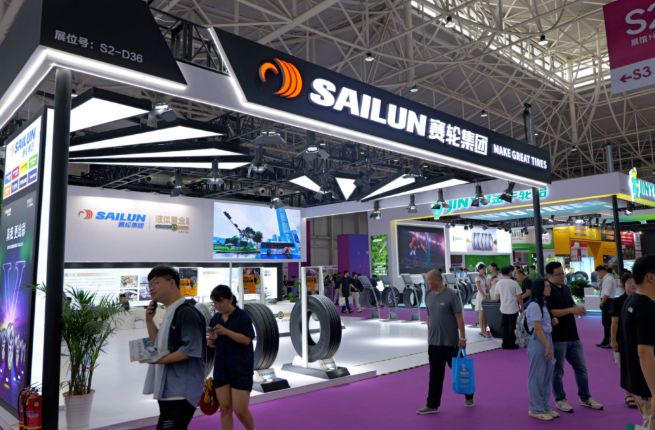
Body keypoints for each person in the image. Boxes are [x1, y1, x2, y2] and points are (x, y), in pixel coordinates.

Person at [143, 265, 206, 430]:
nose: (151, 288)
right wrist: (149, 321)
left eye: (155, 283)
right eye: (149, 285)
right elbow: (160, 344)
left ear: (172, 283)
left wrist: (159, 360)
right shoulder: (171, 311)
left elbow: (191, 348)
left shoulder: (186, 312)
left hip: (180, 392)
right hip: (169, 390)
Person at [545, 261, 603, 412]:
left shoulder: (565, 288)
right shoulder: (547, 290)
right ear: (549, 276)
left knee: (581, 369)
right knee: (558, 372)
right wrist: (572, 310)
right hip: (557, 337)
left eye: (563, 273)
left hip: (573, 335)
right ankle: (560, 399)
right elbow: (550, 312)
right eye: (558, 274)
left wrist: (578, 309)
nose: (562, 277)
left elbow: (570, 306)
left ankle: (585, 397)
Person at [417, 270, 473, 414]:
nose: (426, 283)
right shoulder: (428, 296)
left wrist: (462, 338)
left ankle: (469, 396)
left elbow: (459, 317)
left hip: (451, 343)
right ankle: (432, 404)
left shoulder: (451, 295)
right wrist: (429, 336)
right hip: (434, 344)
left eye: (428, 280)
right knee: (435, 375)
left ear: (437, 280)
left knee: (460, 372)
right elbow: (429, 317)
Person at [207, 285, 256, 430]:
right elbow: (212, 345)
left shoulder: (243, 316)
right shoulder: (215, 318)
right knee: (224, 409)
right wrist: (211, 338)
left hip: (241, 368)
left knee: (240, 410)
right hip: (221, 368)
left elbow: (246, 340)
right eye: (215, 303)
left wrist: (226, 331)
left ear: (231, 299)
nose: (217, 306)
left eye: (220, 302)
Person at [620, 255, 655, 429]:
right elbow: (645, 352)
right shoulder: (647, 309)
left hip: (638, 382)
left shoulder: (632, 300)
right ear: (651, 277)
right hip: (647, 387)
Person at [526, 279, 560, 421]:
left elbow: (542, 325)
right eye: (546, 287)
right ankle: (536, 409)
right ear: (539, 288)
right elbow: (537, 328)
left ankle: (545, 406)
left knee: (546, 376)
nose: (549, 289)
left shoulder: (543, 304)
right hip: (539, 341)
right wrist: (547, 346)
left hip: (546, 339)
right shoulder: (535, 305)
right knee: (537, 376)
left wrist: (551, 322)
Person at [612, 273, 639, 409]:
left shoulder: (642, 299)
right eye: (629, 282)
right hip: (624, 339)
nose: (633, 285)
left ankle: (641, 393)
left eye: (635, 282)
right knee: (627, 366)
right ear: (623, 285)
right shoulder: (618, 301)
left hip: (640, 338)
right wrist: (613, 340)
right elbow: (614, 323)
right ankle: (629, 395)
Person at [495, 265, 524, 349]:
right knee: (512, 327)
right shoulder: (514, 283)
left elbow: (498, 297)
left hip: (503, 308)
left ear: (502, 273)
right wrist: (522, 307)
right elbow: (519, 297)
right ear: (510, 272)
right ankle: (511, 344)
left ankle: (504, 343)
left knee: (505, 326)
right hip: (513, 308)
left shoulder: (498, 283)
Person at [595, 265, 616, 348]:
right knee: (605, 322)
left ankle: (610, 341)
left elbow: (607, 293)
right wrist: (600, 289)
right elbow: (606, 290)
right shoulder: (607, 278)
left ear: (602, 271)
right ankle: (606, 340)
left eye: (598, 273)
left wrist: (602, 302)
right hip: (607, 301)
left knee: (608, 323)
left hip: (608, 301)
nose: (598, 275)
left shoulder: (609, 279)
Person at [474, 264, 491, 338]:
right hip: (481, 296)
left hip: (485, 295)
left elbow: (487, 287)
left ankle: (485, 329)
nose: (484, 270)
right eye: (483, 269)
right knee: (481, 314)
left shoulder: (485, 277)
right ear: (479, 270)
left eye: (485, 269)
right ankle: (482, 330)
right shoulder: (477, 277)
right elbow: (479, 288)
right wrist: (485, 296)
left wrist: (488, 295)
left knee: (486, 314)